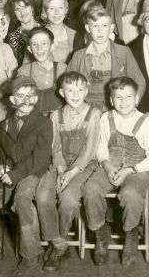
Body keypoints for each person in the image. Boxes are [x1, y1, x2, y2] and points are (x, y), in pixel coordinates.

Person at [0, 76, 52, 269]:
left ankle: (31, 254)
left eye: (30, 95)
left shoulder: (44, 123)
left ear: (36, 98)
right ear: (12, 100)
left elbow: (39, 159)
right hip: (7, 170)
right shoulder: (3, 125)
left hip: (31, 172)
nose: (26, 100)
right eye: (20, 96)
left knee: (22, 201)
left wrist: (14, 175)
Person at [82, 77, 149, 267]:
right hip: (112, 164)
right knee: (90, 189)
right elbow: (100, 148)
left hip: (137, 168)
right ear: (111, 100)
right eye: (118, 97)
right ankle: (101, 233)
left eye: (128, 97)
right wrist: (107, 165)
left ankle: (131, 232)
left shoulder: (145, 121)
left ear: (137, 98)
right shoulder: (105, 118)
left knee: (130, 194)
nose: (123, 101)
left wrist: (130, 170)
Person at [35, 72, 101, 271]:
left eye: (80, 90)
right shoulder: (56, 115)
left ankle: (60, 239)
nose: (75, 94)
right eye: (70, 90)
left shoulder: (94, 114)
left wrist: (71, 173)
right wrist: (61, 168)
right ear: (62, 92)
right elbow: (54, 146)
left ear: (86, 90)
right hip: (59, 164)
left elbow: (90, 149)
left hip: (83, 166)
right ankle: (58, 242)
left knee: (68, 200)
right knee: (43, 196)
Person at [67, 6, 146, 112]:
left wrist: (131, 105)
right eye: (95, 26)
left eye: (104, 25)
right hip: (86, 108)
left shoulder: (123, 52)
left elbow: (140, 82)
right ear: (87, 28)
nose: (100, 31)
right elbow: (67, 84)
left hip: (115, 108)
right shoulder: (78, 56)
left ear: (111, 27)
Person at [17, 27, 66, 115]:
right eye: (34, 44)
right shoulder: (24, 71)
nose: (39, 48)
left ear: (51, 46)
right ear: (29, 49)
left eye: (44, 43)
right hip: (34, 122)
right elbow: (19, 104)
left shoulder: (63, 69)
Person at [5, 0, 40, 65]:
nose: (22, 12)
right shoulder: (12, 38)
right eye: (17, 9)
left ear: (32, 8)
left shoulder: (47, 28)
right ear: (14, 13)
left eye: (25, 7)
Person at [41, 0, 75, 64]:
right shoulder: (37, 35)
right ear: (46, 12)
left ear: (66, 11)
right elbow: (26, 68)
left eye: (60, 8)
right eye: (52, 8)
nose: (57, 12)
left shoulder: (75, 35)